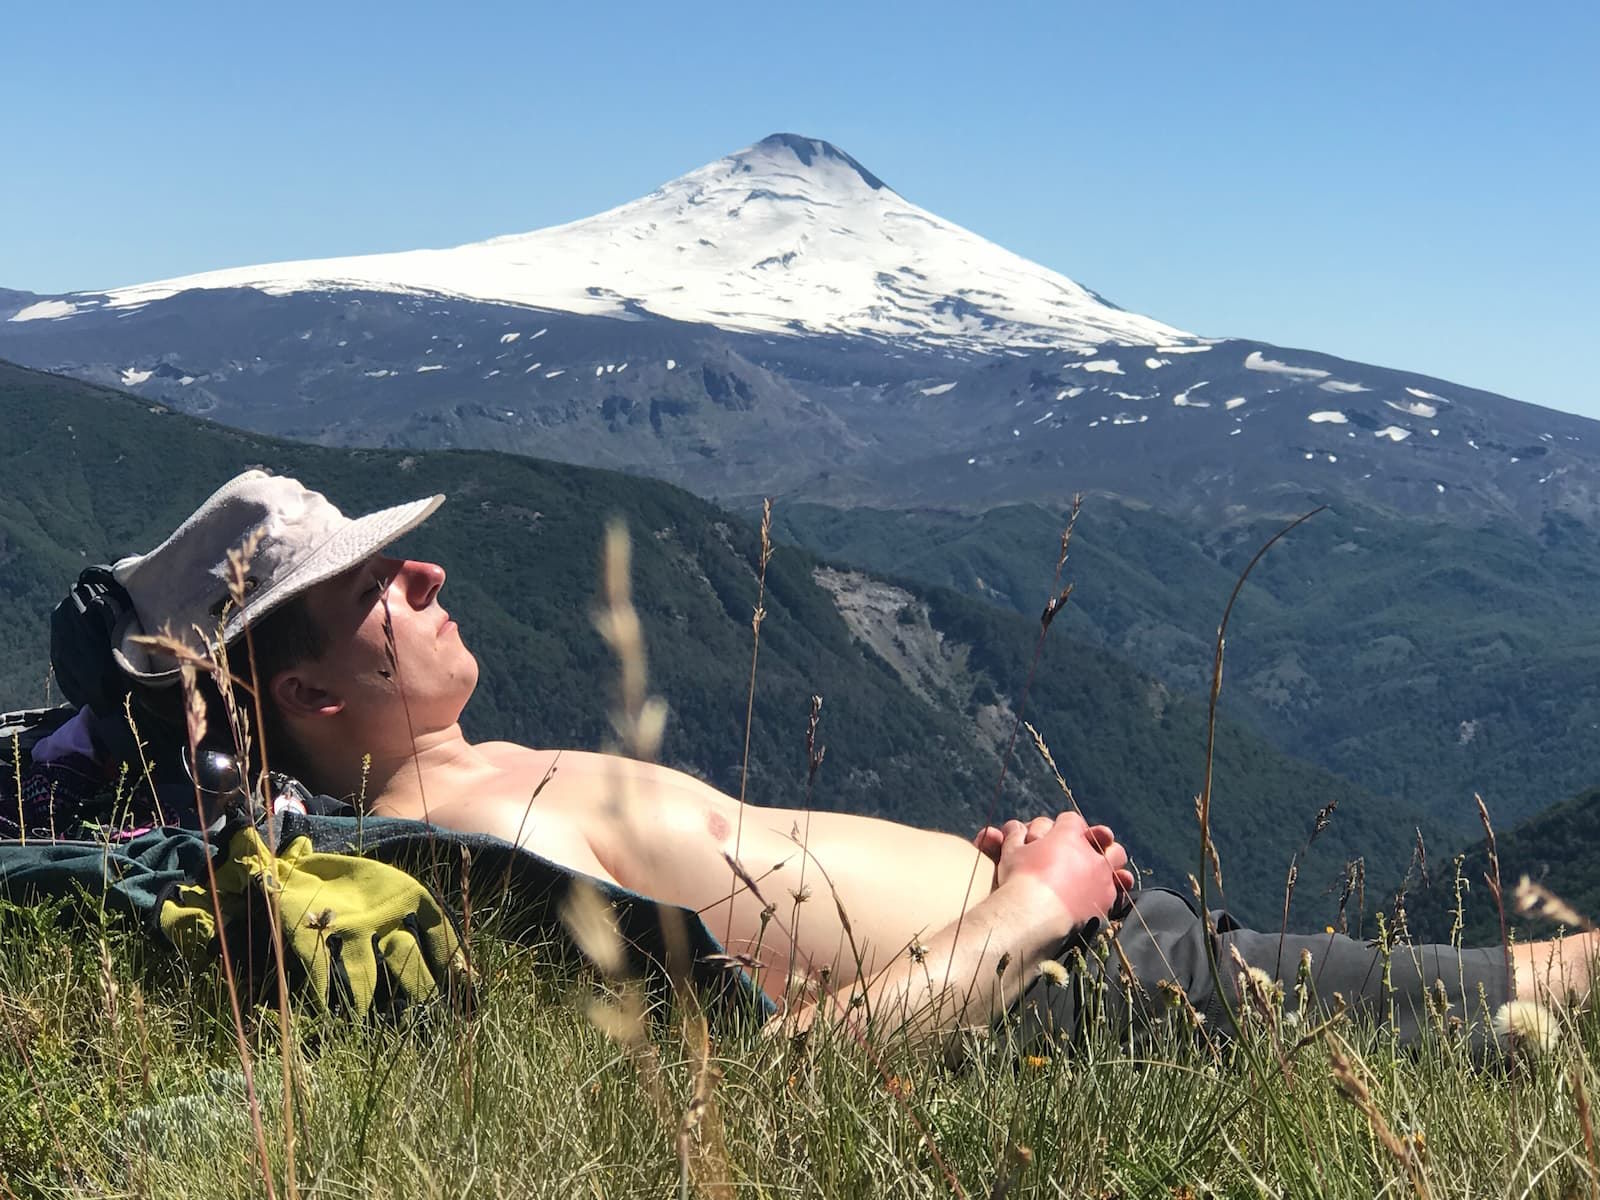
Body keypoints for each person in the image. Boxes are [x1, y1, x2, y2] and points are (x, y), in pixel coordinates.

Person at [101, 470, 1587, 1052]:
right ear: (306, 686)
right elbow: (754, 1088)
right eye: (383, 586)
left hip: (1084, 947)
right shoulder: (473, 854)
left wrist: (1011, 879)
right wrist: (1027, 910)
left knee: (1552, 994)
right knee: (1551, 995)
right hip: (1090, 1000)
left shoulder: (480, 773)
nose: (426, 580)